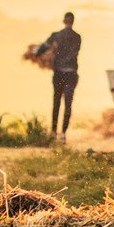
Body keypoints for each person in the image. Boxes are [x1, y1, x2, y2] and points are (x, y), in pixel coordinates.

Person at [35, 11, 81, 144]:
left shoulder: (56, 36)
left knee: (56, 102)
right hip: (71, 73)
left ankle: (53, 132)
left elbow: (42, 49)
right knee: (68, 104)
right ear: (73, 21)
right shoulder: (77, 37)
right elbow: (74, 52)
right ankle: (63, 134)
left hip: (59, 73)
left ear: (63, 21)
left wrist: (38, 54)